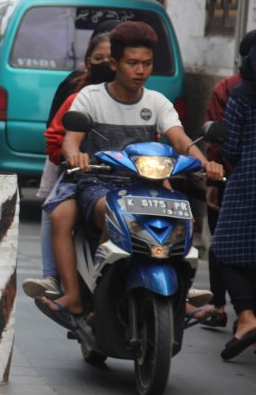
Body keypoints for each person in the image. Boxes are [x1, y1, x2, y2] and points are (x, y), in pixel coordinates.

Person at [36, 21, 224, 322]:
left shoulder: (157, 102)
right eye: (132, 63)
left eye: (147, 64)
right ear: (114, 63)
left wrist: (205, 163)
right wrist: (77, 157)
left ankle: (180, 294)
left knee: (182, 214)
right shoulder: (90, 97)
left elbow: (180, 139)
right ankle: (84, 295)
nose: (141, 71)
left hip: (145, 182)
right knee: (115, 216)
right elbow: (70, 142)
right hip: (97, 183)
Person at [23, 22, 118, 299]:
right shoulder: (77, 94)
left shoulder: (148, 101)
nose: (106, 65)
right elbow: (57, 136)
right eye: (99, 59)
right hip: (78, 172)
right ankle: (55, 276)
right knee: (55, 211)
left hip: (126, 177)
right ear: (89, 60)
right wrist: (71, 154)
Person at [202, 30, 256, 328]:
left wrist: (217, 174)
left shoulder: (236, 91)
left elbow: (228, 146)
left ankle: (234, 312)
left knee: (225, 248)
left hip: (243, 182)